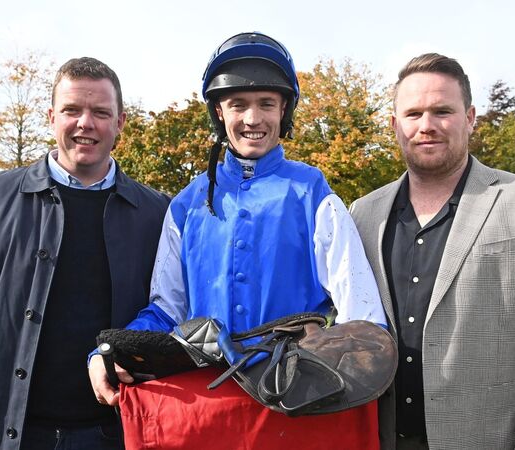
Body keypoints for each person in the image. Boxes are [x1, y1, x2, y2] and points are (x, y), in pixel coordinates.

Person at [88, 32, 388, 449]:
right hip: (209, 414)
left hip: (295, 408)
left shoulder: (313, 194)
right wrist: (108, 352)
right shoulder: (187, 204)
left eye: (266, 104)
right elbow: (166, 309)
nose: (253, 119)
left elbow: (363, 318)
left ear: (284, 110)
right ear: (219, 112)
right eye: (238, 105)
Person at [0, 57, 170, 450]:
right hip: (7, 431)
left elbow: (169, 313)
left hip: (117, 433)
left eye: (101, 112)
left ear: (120, 123)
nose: (85, 123)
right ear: (52, 116)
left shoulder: (156, 213)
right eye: (72, 110)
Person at [349, 53, 515, 450]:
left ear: (470, 117)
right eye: (413, 114)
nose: (426, 126)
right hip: (381, 438)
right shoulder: (363, 213)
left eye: (442, 111)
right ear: (395, 125)